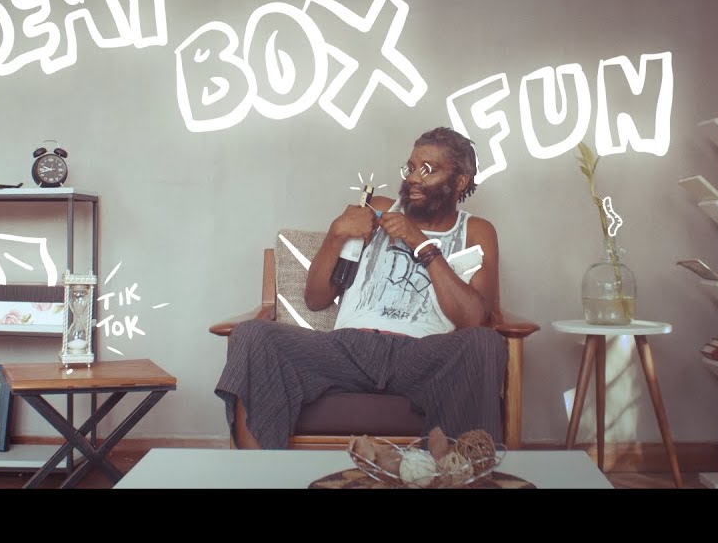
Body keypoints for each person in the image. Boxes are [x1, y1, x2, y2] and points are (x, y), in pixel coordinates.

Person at [215, 126, 506, 449]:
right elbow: (316, 299)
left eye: (428, 169)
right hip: (348, 349)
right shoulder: (376, 209)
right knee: (252, 334)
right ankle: (256, 472)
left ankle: (454, 472)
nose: (414, 178)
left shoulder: (475, 230)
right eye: (410, 167)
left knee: (485, 343)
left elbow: (474, 319)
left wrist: (420, 243)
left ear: (460, 181)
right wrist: (336, 234)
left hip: (422, 354)